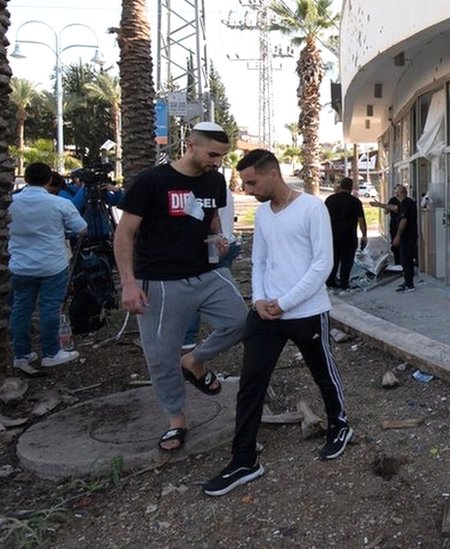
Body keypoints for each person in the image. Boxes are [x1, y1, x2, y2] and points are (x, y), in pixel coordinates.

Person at [203, 150, 352, 497]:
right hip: (265, 314)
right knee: (251, 382)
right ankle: (244, 459)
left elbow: (322, 266)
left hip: (306, 312)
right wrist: (258, 300)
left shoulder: (312, 208)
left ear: (273, 175)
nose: (248, 189)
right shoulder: (262, 214)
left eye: (252, 182)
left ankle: (340, 425)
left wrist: (283, 303)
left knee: (323, 374)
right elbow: (260, 261)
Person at [114, 121, 247, 453]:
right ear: (190, 145)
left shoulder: (214, 180)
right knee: (160, 356)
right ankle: (176, 420)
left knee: (242, 321)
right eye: (213, 154)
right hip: (159, 281)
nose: (217, 162)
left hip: (207, 273)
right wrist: (128, 282)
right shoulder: (152, 181)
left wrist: (217, 238)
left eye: (222, 156)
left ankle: (194, 361)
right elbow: (124, 233)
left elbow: (211, 216)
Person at [10, 162, 88, 376]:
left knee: (21, 309)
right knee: (50, 308)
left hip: (20, 265)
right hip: (52, 265)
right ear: (48, 180)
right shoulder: (58, 203)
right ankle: (51, 353)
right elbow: (82, 228)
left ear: (26, 178)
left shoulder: (11, 202)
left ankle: (21, 354)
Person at [182, 183, 241, 350]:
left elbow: (206, 218)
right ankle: (192, 342)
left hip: (212, 247)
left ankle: (188, 344)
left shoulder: (209, 185)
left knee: (194, 295)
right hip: (223, 243)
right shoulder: (217, 184)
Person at [324, 177, 368, 290]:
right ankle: (344, 283)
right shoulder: (355, 202)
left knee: (333, 260)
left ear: (340, 186)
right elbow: (361, 220)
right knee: (347, 261)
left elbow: (322, 218)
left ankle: (330, 282)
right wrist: (364, 235)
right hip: (349, 236)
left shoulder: (330, 200)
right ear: (351, 187)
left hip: (331, 236)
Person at [60, 170, 124, 243]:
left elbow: (116, 202)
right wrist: (84, 190)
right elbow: (73, 207)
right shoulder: (66, 192)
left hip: (103, 231)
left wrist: (117, 191)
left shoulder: (96, 191)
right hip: (83, 233)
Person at [391, 185, 418, 293]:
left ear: (399, 193)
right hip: (411, 235)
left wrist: (398, 236)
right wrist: (379, 205)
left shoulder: (405, 204)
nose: (396, 195)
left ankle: (409, 285)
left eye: (396, 193)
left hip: (407, 236)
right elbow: (393, 208)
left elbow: (403, 221)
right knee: (408, 260)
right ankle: (407, 281)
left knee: (405, 260)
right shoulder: (409, 202)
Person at [370, 192, 401, 266]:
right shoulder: (393, 200)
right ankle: (398, 263)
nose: (396, 193)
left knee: (399, 246)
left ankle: (401, 264)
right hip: (394, 225)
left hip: (400, 226)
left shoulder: (405, 202)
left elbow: (395, 208)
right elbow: (386, 211)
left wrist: (380, 205)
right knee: (395, 246)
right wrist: (387, 207)